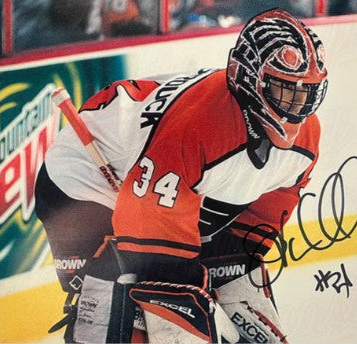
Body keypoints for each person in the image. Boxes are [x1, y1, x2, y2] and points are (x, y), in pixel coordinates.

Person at [35, 8, 328, 343]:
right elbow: (153, 247)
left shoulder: (305, 140)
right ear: (245, 76)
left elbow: (258, 222)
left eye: (307, 92)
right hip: (83, 180)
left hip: (152, 178)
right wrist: (189, 295)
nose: (297, 106)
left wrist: (232, 264)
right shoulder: (198, 126)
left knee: (227, 294)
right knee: (124, 307)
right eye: (285, 90)